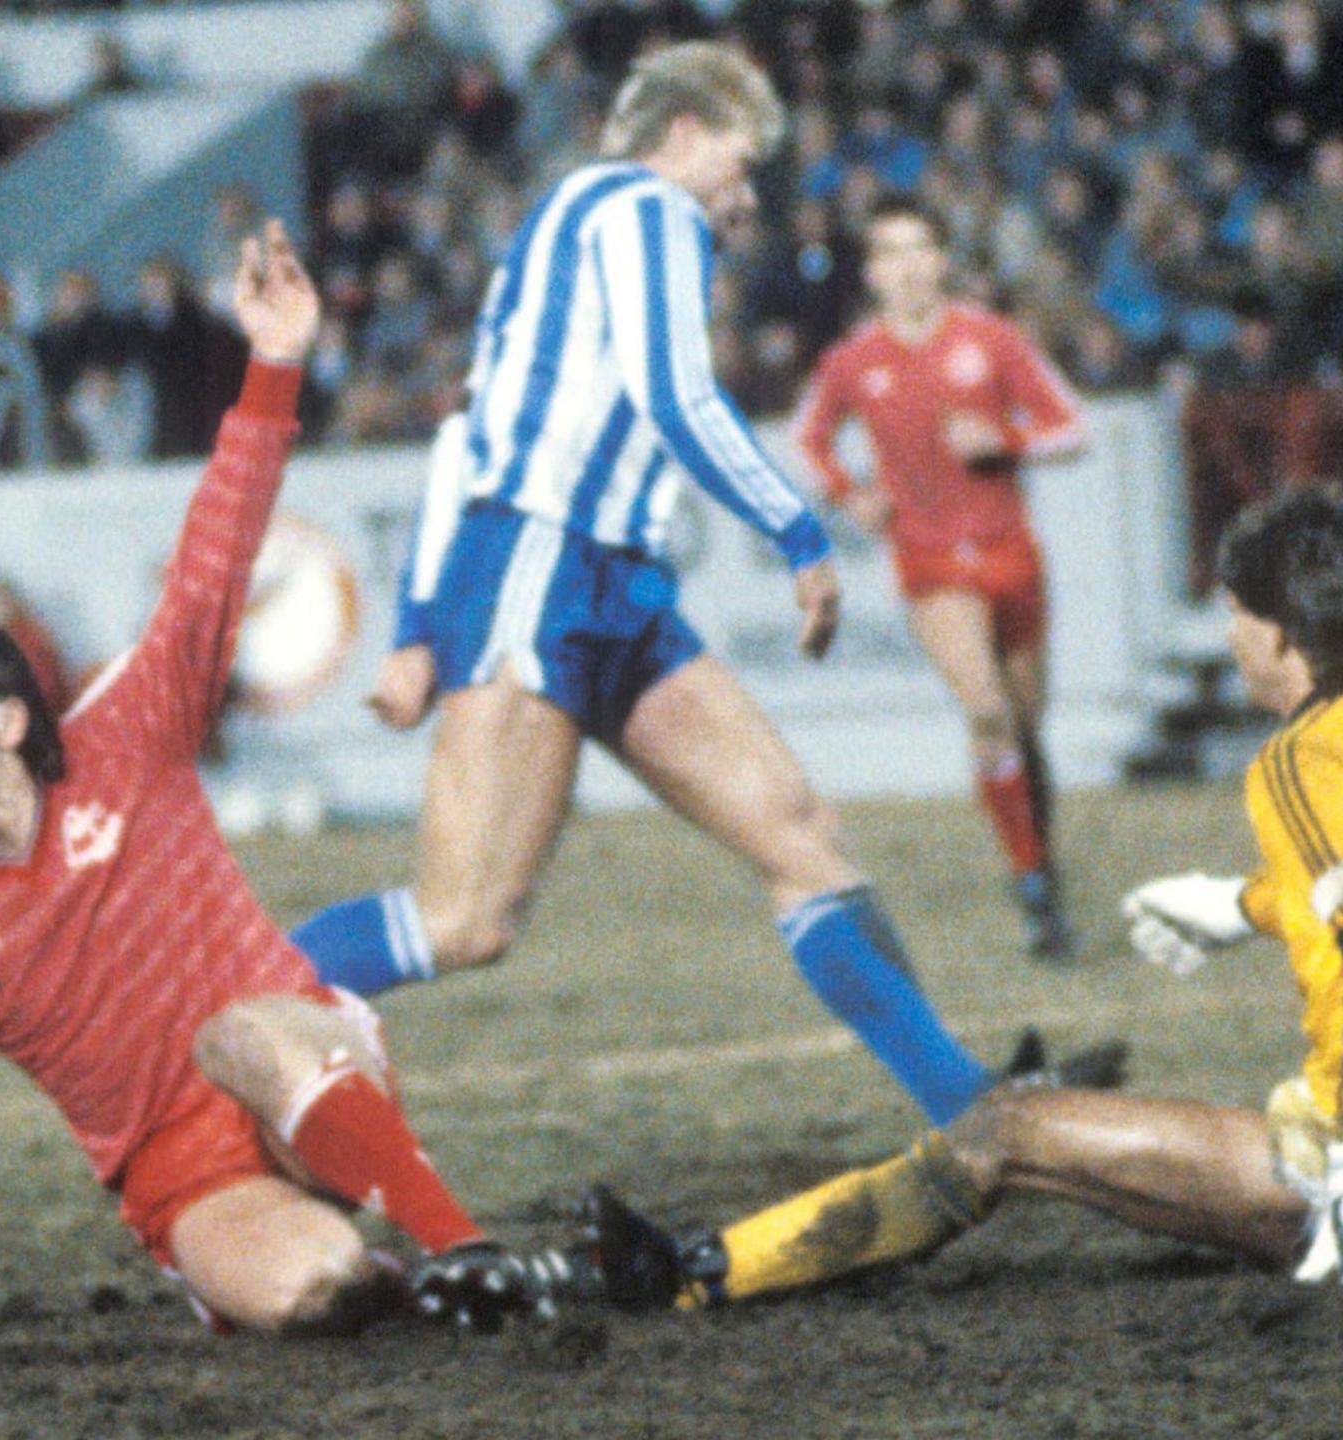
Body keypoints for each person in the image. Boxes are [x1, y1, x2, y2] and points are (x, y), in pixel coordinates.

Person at [544, 489, 1343, 1310]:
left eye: (1238, 612)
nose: (1230, 633)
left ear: (1281, 630)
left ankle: (698, 1273)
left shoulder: (1299, 759)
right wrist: (1241, 904)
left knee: (1007, 1133)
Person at [0, 224, 539, 1353]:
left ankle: (462, 1247)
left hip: (296, 1051)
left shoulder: (127, 731)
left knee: (240, 1030)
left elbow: (214, 557)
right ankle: (344, 1263)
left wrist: (274, 363)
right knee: (319, 1292)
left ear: (11, 721)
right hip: (177, 1179)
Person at [285, 42, 1004, 1129]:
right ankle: (212, 1006)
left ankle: (974, 1111)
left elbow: (461, 435)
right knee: (467, 919)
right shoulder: (642, 207)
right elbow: (678, 395)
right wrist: (798, 530)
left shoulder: (578, 230)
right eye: (740, 161)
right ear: (678, 135)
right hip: (542, 563)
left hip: (608, 580)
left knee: (798, 831)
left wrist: (421, 624)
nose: (748, 194)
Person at [790, 194, 1088, 958]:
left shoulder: (991, 339)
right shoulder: (854, 361)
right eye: (889, 252)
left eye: (920, 248)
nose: (907, 266)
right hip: (928, 561)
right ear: (872, 272)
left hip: (1011, 554)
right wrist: (850, 494)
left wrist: (1007, 441)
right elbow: (806, 440)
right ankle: (1028, 884)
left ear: (943, 259)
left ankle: (1040, 863)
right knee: (986, 709)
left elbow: (1072, 428)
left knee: (1026, 728)